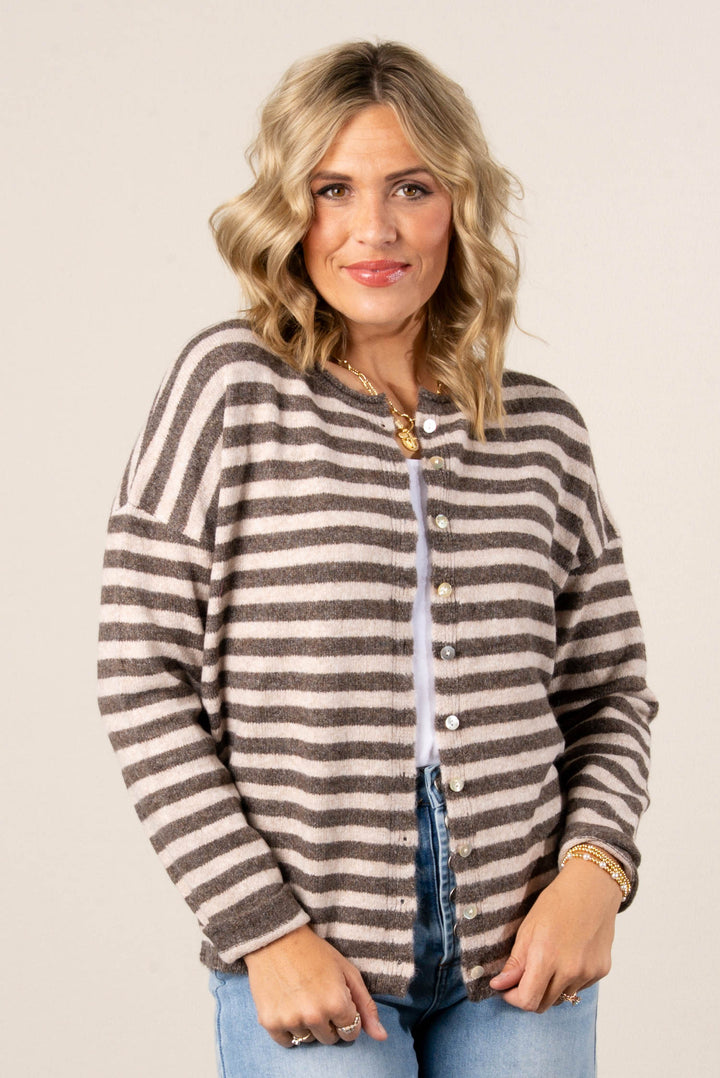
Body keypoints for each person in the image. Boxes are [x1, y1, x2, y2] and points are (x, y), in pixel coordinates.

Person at [98, 40, 657, 1077]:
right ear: (289, 210)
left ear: (460, 205)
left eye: (412, 187)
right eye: (334, 189)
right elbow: (142, 676)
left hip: (525, 954)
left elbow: (610, 688)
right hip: (312, 949)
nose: (375, 229)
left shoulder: (542, 430)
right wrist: (262, 927)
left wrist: (595, 871)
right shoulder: (228, 389)